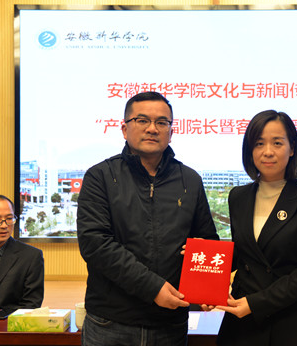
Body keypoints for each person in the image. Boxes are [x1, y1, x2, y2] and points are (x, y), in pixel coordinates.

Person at [77, 91, 219, 346]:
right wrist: (152, 288)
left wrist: (206, 288)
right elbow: (95, 244)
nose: (152, 128)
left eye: (161, 122)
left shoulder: (190, 180)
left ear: (171, 132)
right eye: (142, 120)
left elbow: (206, 241)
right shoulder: (100, 176)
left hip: (170, 324)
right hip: (111, 322)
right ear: (124, 129)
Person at [215, 110, 297, 346]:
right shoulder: (238, 197)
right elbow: (242, 254)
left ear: (292, 148)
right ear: (250, 150)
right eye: (259, 143)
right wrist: (207, 276)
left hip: (290, 322)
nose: (267, 151)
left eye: (277, 143)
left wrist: (256, 304)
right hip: (241, 323)